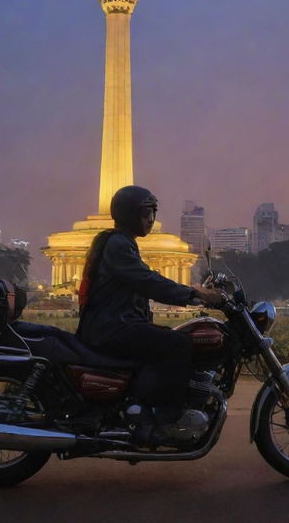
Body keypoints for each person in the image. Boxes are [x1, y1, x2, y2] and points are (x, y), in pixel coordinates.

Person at [76, 185, 223, 441]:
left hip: (112, 325)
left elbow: (144, 281)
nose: (150, 220)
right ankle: (167, 418)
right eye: (145, 214)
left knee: (167, 339)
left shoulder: (120, 242)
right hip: (113, 328)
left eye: (152, 213)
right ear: (130, 214)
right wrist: (193, 294)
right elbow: (147, 281)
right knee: (178, 345)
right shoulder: (119, 244)